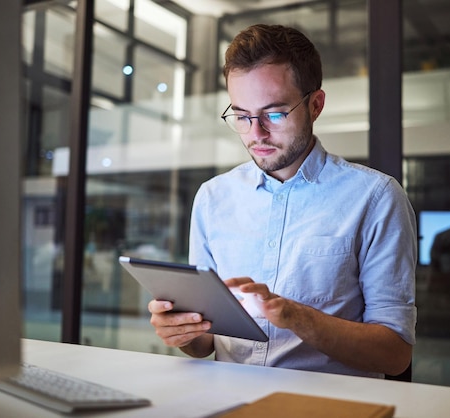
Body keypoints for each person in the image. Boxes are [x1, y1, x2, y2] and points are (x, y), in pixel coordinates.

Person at [148, 24, 417, 378]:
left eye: (274, 114)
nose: (255, 134)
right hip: (229, 400)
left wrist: (294, 315)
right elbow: (206, 343)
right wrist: (182, 331)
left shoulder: (376, 198)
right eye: (242, 116)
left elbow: (395, 353)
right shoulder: (213, 198)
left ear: (315, 105)